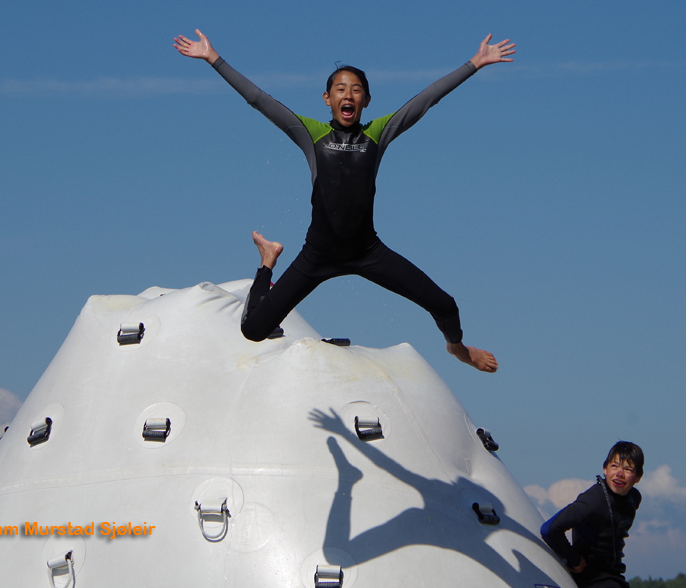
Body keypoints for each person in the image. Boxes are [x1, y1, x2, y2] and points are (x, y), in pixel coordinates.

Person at [173, 29, 514, 372]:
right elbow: (259, 99)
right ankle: (267, 262)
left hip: (368, 252)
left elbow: (426, 99)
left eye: (356, 89)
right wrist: (213, 58)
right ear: (327, 98)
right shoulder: (312, 133)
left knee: (446, 305)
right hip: (317, 255)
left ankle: (457, 349)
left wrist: (475, 63)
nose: (348, 94)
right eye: (340, 89)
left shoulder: (377, 134)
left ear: (366, 100)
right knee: (253, 329)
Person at [540, 442, 645, 588]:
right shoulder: (593, 501)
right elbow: (550, 529)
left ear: (638, 477)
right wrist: (575, 559)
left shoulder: (633, 498)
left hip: (614, 576)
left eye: (628, 469)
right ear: (605, 469)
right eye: (614, 466)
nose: (619, 473)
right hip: (591, 577)